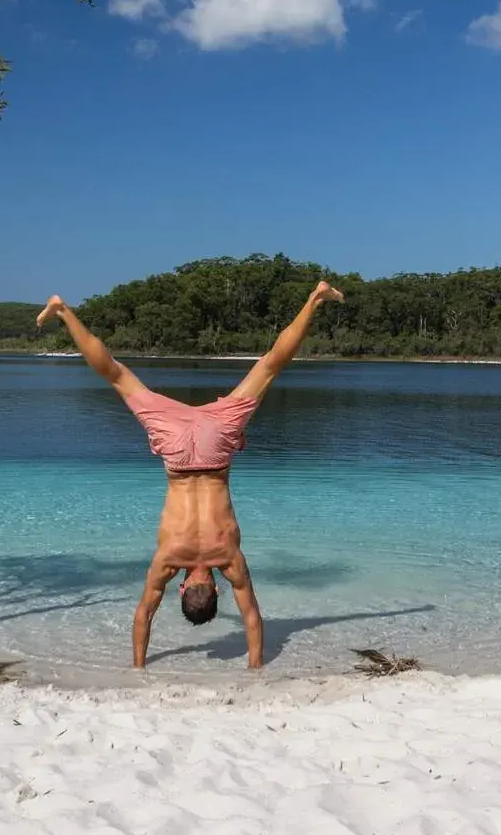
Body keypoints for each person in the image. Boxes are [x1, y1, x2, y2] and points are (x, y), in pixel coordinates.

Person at [35, 281, 344, 670]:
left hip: (216, 448)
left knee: (269, 365)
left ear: (214, 587)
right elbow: (144, 614)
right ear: (183, 588)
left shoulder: (229, 561)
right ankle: (63, 310)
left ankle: (315, 300)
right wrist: (138, 666)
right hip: (177, 451)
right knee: (115, 374)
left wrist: (255, 667)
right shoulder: (167, 561)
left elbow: (251, 619)